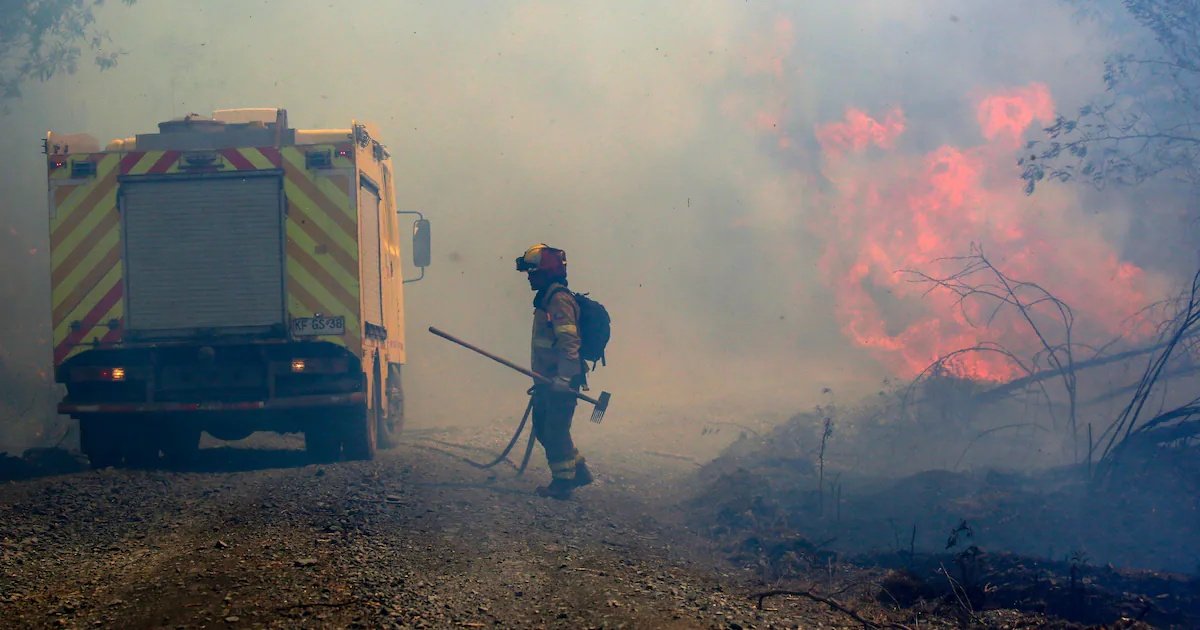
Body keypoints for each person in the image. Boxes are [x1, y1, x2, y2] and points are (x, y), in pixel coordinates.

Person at [515, 243, 593, 499]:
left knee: (555, 431)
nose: (529, 277)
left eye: (533, 272)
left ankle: (563, 484)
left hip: (561, 379)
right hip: (547, 378)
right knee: (544, 426)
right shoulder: (547, 298)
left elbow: (569, 341)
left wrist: (564, 376)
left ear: (546, 272)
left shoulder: (558, 300)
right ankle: (578, 469)